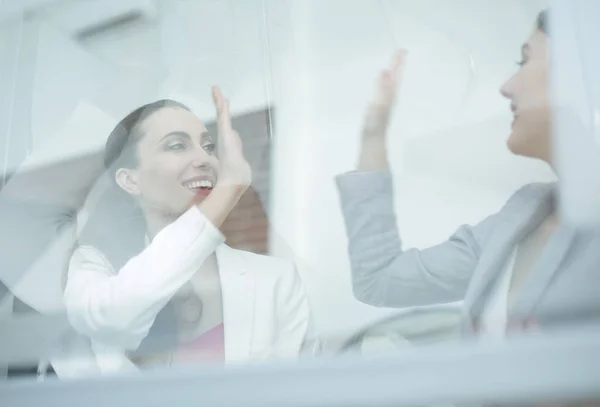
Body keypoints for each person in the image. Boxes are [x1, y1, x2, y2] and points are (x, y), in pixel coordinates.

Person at [336, 10, 600, 340]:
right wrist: (374, 131)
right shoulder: (520, 216)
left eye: (524, 60)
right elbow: (379, 279)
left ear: (580, 75)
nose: (506, 87)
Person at [52, 86, 317, 377]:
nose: (204, 159)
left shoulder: (276, 280)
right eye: (177, 145)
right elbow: (116, 317)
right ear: (130, 180)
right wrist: (229, 188)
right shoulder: (94, 270)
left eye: (209, 146)